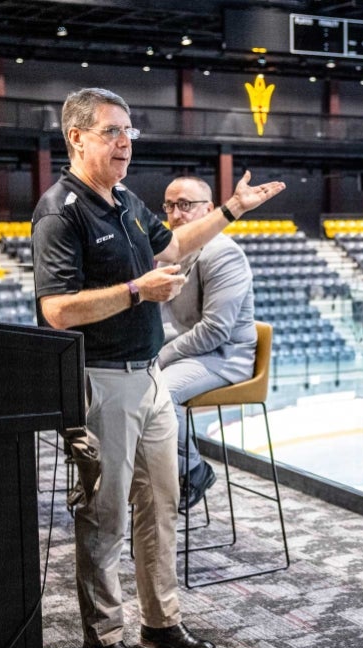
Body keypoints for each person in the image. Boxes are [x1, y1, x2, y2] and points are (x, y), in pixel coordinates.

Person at [32, 87, 284, 648]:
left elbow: (170, 243)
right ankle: (103, 635)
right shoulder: (60, 210)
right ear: (77, 137)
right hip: (101, 381)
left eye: (129, 133)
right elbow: (57, 311)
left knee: (162, 503)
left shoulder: (122, 200)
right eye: (112, 132)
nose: (124, 144)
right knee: (106, 513)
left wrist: (229, 211)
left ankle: (160, 618)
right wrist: (134, 292)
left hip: (147, 376)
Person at [157, 176, 257, 514]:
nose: (176, 214)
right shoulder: (168, 253)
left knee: (158, 391)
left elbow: (215, 330)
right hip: (186, 352)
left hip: (224, 356)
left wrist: (159, 357)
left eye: (185, 205)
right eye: (170, 206)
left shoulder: (223, 254)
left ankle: (193, 470)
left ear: (210, 210)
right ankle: (150, 473)